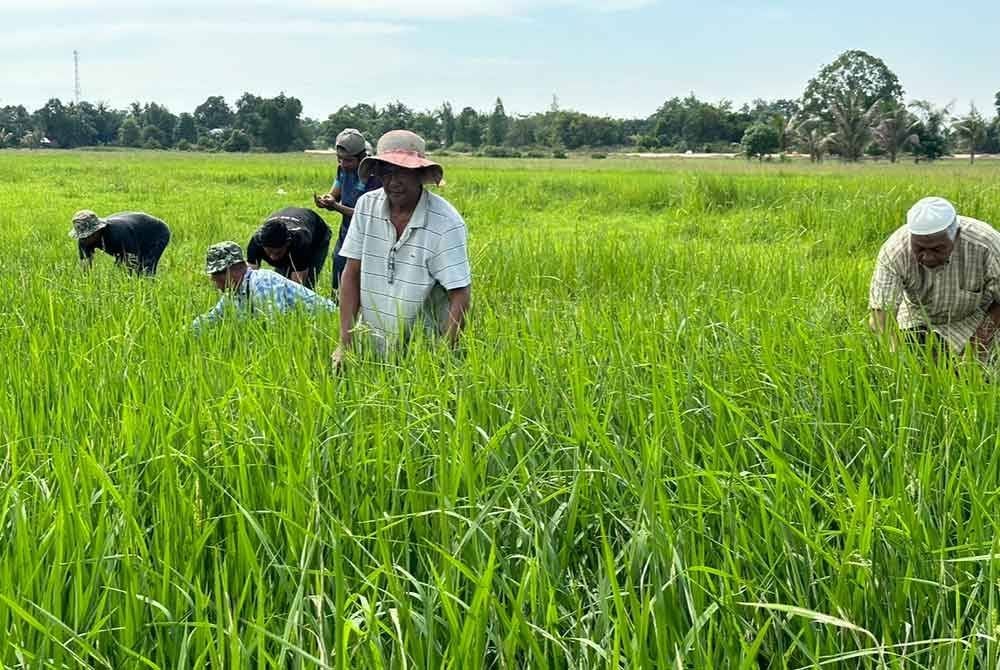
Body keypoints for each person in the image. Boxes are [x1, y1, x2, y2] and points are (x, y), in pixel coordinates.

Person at [333, 130, 471, 367]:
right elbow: (351, 274)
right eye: (387, 171)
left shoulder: (445, 222)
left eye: (404, 171)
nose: (394, 181)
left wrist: (443, 357)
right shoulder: (366, 206)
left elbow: (460, 295)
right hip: (371, 349)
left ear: (420, 174)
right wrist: (345, 343)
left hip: (423, 352)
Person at [869, 196, 1000, 361]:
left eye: (937, 249)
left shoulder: (987, 244)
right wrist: (897, 357)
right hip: (919, 317)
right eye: (919, 248)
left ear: (956, 235)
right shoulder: (895, 251)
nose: (928, 257)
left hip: (974, 317)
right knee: (920, 361)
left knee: (984, 372)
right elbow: (880, 314)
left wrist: (978, 344)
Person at [192, 241, 335, 331]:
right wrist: (184, 332)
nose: (213, 279)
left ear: (237, 268)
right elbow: (214, 317)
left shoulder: (261, 282)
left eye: (218, 273)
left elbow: (277, 327)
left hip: (328, 325)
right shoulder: (235, 291)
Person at [314, 128, 382, 292]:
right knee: (339, 264)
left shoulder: (375, 176)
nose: (343, 164)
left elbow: (365, 213)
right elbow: (335, 193)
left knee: (363, 275)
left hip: (370, 234)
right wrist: (327, 200)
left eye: (349, 160)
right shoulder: (342, 170)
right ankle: (337, 307)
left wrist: (336, 207)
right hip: (347, 231)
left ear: (362, 157)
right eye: (340, 159)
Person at [246, 207, 331, 290]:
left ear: (287, 243)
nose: (273, 257)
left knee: (307, 286)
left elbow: (298, 288)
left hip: (317, 237)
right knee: (279, 283)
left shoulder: (300, 243)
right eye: (269, 252)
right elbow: (249, 278)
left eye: (278, 253)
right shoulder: (256, 242)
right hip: (292, 222)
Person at [69, 209, 171, 275]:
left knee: (144, 269)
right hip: (132, 234)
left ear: (97, 230)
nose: (85, 239)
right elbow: (85, 266)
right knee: (120, 268)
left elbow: (132, 261)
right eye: (83, 236)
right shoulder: (83, 240)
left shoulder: (118, 233)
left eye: (88, 235)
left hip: (155, 233)